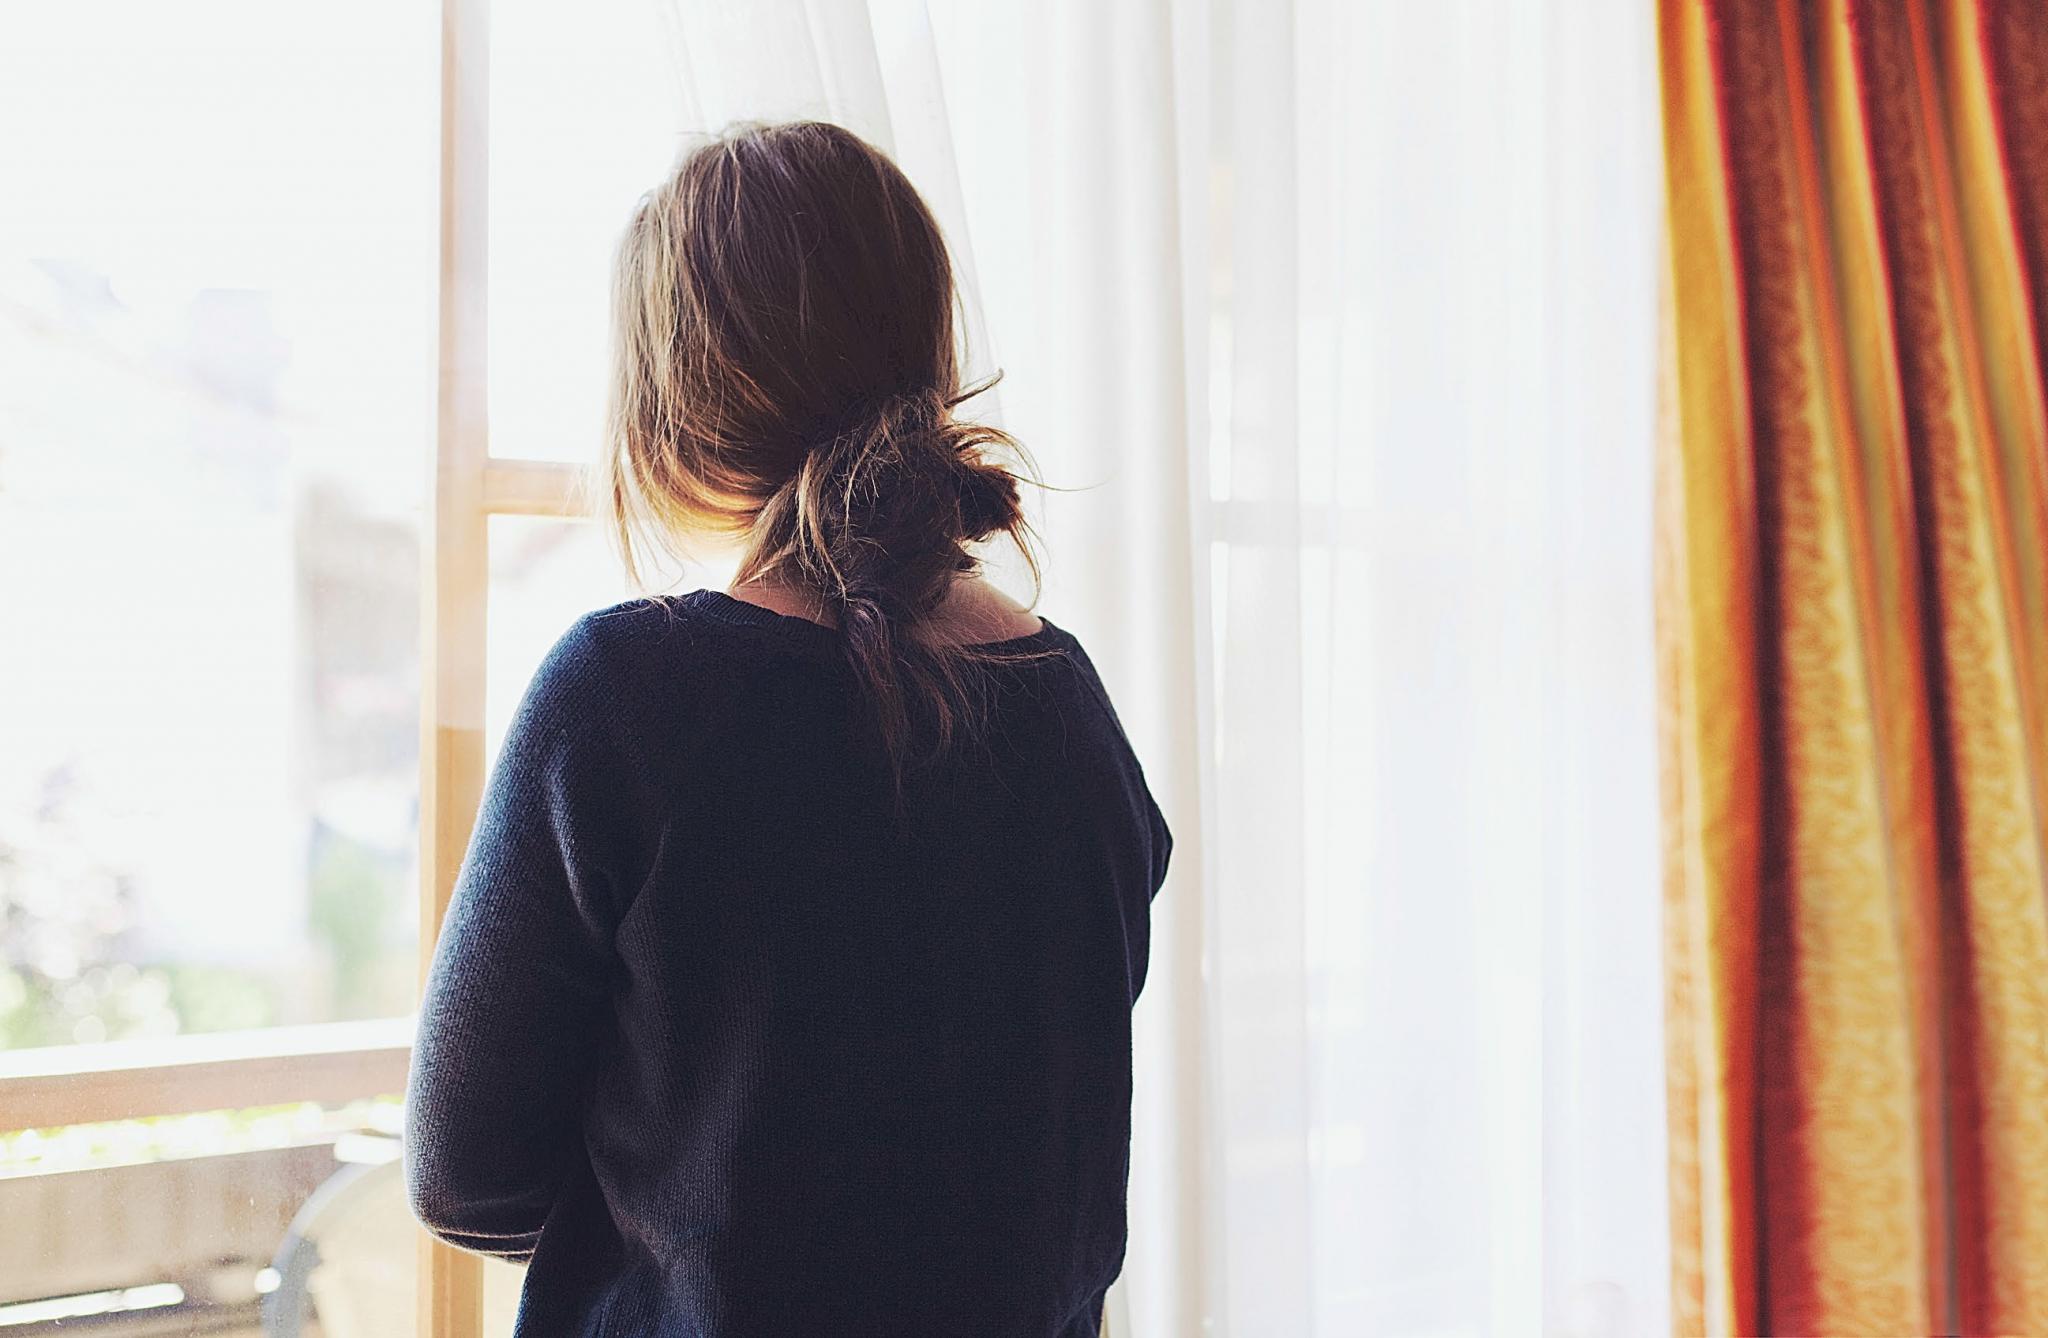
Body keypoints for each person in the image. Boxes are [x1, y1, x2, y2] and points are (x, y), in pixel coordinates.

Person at [402, 119, 1172, 1338]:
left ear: (669, 408)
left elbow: (465, 1175)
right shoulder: (1068, 707)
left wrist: (691, 1226)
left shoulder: (627, 698)